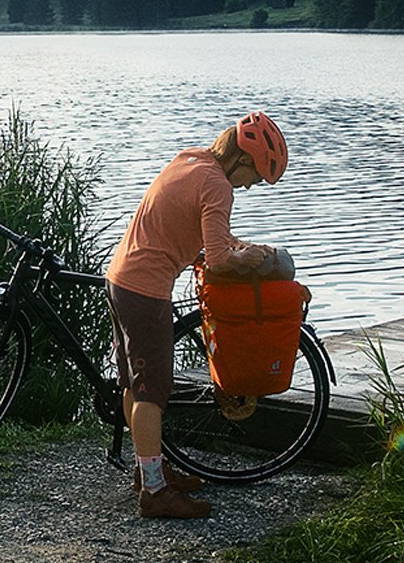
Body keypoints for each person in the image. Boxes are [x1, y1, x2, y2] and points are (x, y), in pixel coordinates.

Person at [104, 112, 291, 519]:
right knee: (152, 395)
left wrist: (236, 247)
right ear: (241, 160)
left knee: (134, 387)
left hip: (119, 279)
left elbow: (206, 235)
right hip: (147, 290)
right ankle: (154, 493)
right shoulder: (219, 185)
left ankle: (147, 469)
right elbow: (221, 259)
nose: (250, 185)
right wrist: (251, 258)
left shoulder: (191, 160)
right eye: (255, 177)